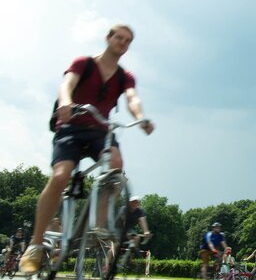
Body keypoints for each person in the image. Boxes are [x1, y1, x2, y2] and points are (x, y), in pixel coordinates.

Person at [20, 24, 155, 274]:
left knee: (116, 165)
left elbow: (132, 98)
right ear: (108, 38)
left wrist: (141, 117)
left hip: (100, 131)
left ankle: (98, 226)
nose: (122, 43)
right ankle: (35, 244)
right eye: (119, 38)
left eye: (128, 41)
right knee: (61, 176)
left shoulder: (125, 76)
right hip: (71, 127)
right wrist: (66, 102)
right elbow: (66, 84)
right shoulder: (84, 63)